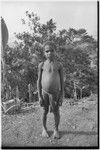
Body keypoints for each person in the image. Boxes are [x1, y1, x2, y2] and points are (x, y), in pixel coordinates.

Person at [37, 41, 64, 139]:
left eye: (51, 51)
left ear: (55, 51)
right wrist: (39, 96)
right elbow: (38, 81)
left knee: (56, 112)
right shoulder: (42, 65)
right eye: (47, 51)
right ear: (44, 53)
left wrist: (61, 96)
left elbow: (62, 81)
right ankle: (44, 129)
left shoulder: (59, 65)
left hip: (55, 93)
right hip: (44, 93)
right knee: (44, 111)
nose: (49, 53)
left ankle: (56, 129)